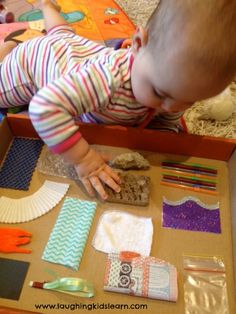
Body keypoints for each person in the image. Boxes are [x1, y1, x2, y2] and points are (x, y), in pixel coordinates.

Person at [0, 0, 236, 199]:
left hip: (72, 48)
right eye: (160, 93)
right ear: (137, 45)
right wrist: (84, 159)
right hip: (33, 63)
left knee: (62, 33)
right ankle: (9, 46)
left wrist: (165, 135)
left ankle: (47, 7)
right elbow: (44, 108)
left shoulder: (172, 81)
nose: (172, 107)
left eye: (189, 101)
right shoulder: (106, 80)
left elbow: (164, 123)